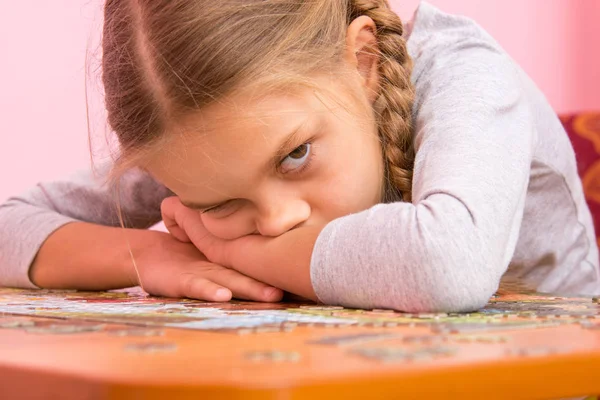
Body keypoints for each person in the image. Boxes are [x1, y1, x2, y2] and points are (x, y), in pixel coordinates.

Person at [0, 1, 597, 313]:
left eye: (296, 156)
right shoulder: (206, 147)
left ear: (361, 62)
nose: (277, 221)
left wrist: (223, 244)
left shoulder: (463, 71)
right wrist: (152, 255)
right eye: (220, 203)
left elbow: (446, 263)